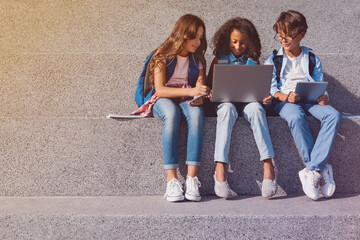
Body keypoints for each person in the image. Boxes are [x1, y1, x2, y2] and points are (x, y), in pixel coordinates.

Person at [265, 10, 341, 201]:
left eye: (289, 36)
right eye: (280, 36)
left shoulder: (312, 58)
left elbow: (319, 82)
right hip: (285, 102)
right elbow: (271, 88)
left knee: (333, 115)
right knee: (296, 116)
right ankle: (320, 168)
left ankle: (312, 169)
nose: (284, 40)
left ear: (302, 34)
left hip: (310, 99)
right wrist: (284, 96)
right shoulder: (274, 59)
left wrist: (324, 97)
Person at [134, 14, 210, 202]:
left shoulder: (198, 59)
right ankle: (172, 180)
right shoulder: (162, 54)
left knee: (197, 114)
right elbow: (159, 89)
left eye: (201, 38)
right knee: (171, 113)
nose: (198, 42)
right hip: (163, 96)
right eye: (195, 37)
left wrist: (200, 96)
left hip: (187, 96)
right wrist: (193, 90)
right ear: (184, 35)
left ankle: (192, 178)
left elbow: (199, 86)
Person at [207, 17, 277, 199]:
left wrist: (265, 98)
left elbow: (260, 90)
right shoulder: (219, 59)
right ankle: (220, 168)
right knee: (227, 110)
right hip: (225, 103)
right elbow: (210, 88)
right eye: (234, 42)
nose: (238, 47)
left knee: (256, 109)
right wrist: (211, 93)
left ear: (250, 43)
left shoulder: (253, 60)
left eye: (243, 43)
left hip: (248, 103)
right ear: (227, 40)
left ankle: (268, 165)